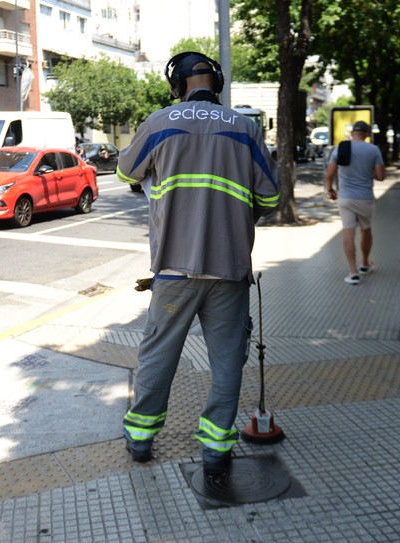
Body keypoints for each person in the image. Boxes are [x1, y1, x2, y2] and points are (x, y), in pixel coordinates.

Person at [116, 52, 280, 481]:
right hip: (230, 271)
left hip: (173, 270)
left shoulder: (160, 122)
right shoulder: (245, 128)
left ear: (178, 85)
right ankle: (215, 450)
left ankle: (140, 440)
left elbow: (124, 171)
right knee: (226, 362)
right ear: (218, 82)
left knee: (157, 356)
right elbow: (270, 198)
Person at [325, 120, 386, 285]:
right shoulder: (373, 150)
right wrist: (368, 172)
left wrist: (330, 190)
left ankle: (353, 273)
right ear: (367, 133)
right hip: (365, 197)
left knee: (348, 233)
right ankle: (365, 264)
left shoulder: (341, 148)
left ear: (352, 133)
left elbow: (329, 175)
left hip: (345, 198)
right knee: (366, 230)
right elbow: (381, 177)